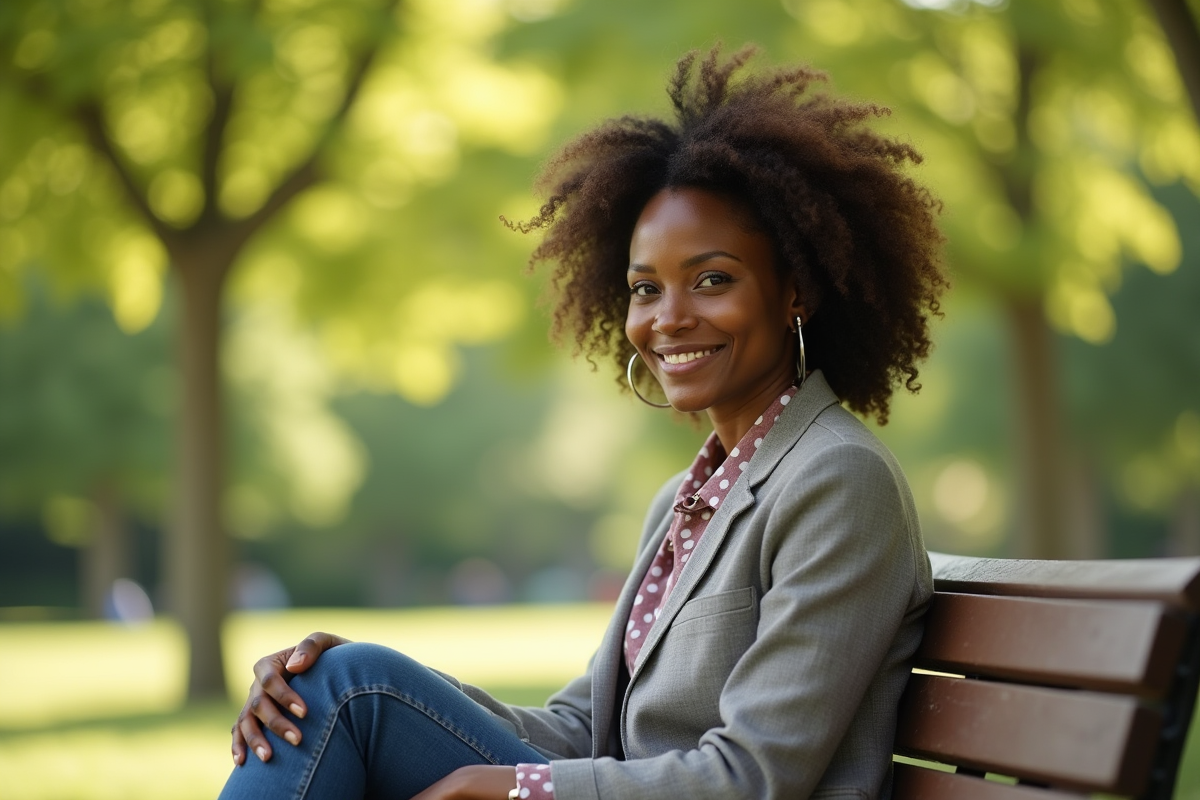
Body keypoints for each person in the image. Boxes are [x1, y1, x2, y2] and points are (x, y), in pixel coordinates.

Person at [220, 44, 947, 800]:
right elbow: (583, 727)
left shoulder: (837, 479)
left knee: (346, 692)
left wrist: (514, 790)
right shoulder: (685, 500)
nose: (669, 318)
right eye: (644, 288)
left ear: (795, 289)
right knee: (336, 688)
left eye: (712, 280)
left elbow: (754, 777)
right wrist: (381, 687)